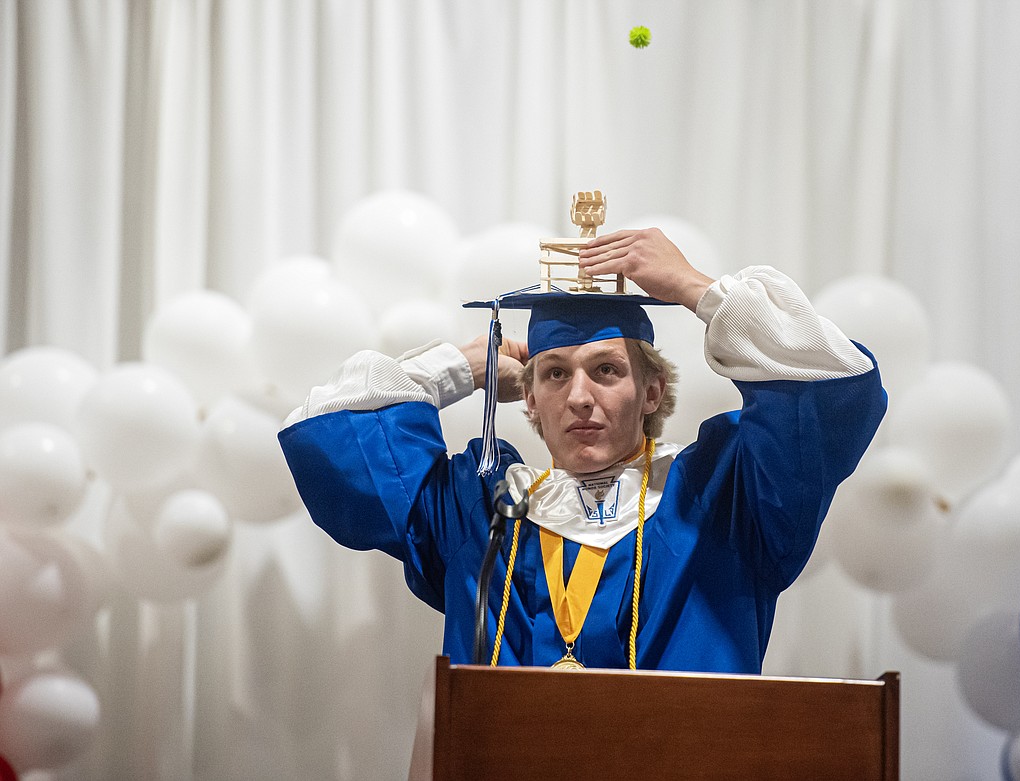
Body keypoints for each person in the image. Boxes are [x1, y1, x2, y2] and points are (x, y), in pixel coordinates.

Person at [278, 228, 886, 674]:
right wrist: (459, 369)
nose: (580, 397)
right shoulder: (482, 514)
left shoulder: (725, 499)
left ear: (652, 391)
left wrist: (694, 289)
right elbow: (330, 434)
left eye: (606, 370)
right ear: (531, 403)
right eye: (554, 375)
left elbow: (835, 389)